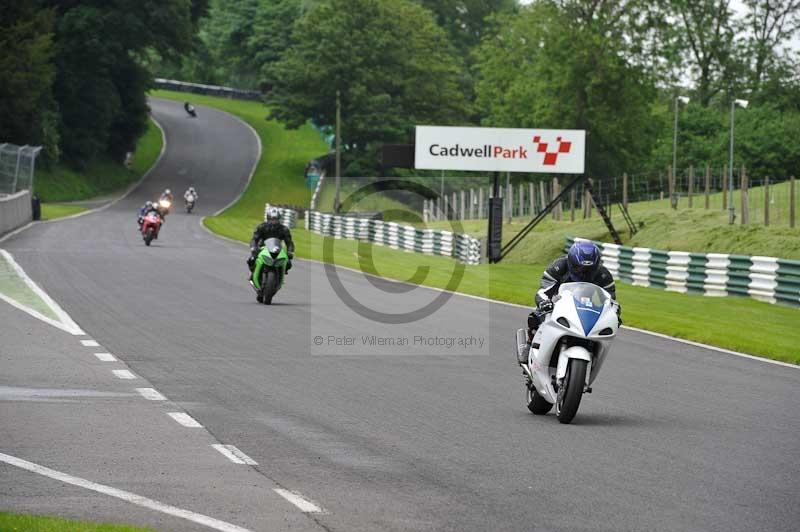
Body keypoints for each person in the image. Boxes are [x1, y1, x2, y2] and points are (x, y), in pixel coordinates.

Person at [518, 240, 619, 364]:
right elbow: (543, 291)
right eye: (579, 268)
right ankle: (529, 345)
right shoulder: (558, 266)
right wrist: (545, 302)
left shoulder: (604, 276)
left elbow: (611, 301)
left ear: (597, 266)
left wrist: (615, 314)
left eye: (589, 270)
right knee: (535, 316)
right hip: (558, 302)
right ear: (571, 263)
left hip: (586, 307)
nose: (583, 273)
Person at [247, 207, 294, 277]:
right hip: (262, 247)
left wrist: (290, 251)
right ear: (268, 219)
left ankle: (280, 275)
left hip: (277, 249)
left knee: (288, 263)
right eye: (272, 219)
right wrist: (253, 247)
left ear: (279, 219)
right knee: (251, 259)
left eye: (275, 219)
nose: (274, 221)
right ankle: (254, 272)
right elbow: (254, 239)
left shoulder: (284, 229)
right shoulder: (262, 227)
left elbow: (289, 242)